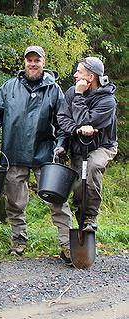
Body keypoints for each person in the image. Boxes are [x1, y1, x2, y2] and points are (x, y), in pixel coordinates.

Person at [0, 45, 73, 260]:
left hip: (46, 155)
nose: (33, 64)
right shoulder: (8, 88)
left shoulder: (54, 90)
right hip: (13, 153)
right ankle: (18, 241)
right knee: (15, 202)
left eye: (37, 60)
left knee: (57, 200)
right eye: (29, 60)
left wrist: (61, 143)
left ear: (44, 62)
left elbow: (63, 122)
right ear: (24, 62)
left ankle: (67, 244)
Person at [57, 57, 118, 235]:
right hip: (79, 146)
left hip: (103, 146)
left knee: (92, 166)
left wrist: (78, 95)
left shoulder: (108, 101)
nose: (75, 75)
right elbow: (63, 118)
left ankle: (91, 217)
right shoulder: (70, 92)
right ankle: (83, 226)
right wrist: (76, 130)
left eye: (79, 72)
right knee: (78, 187)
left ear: (90, 77)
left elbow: (86, 121)